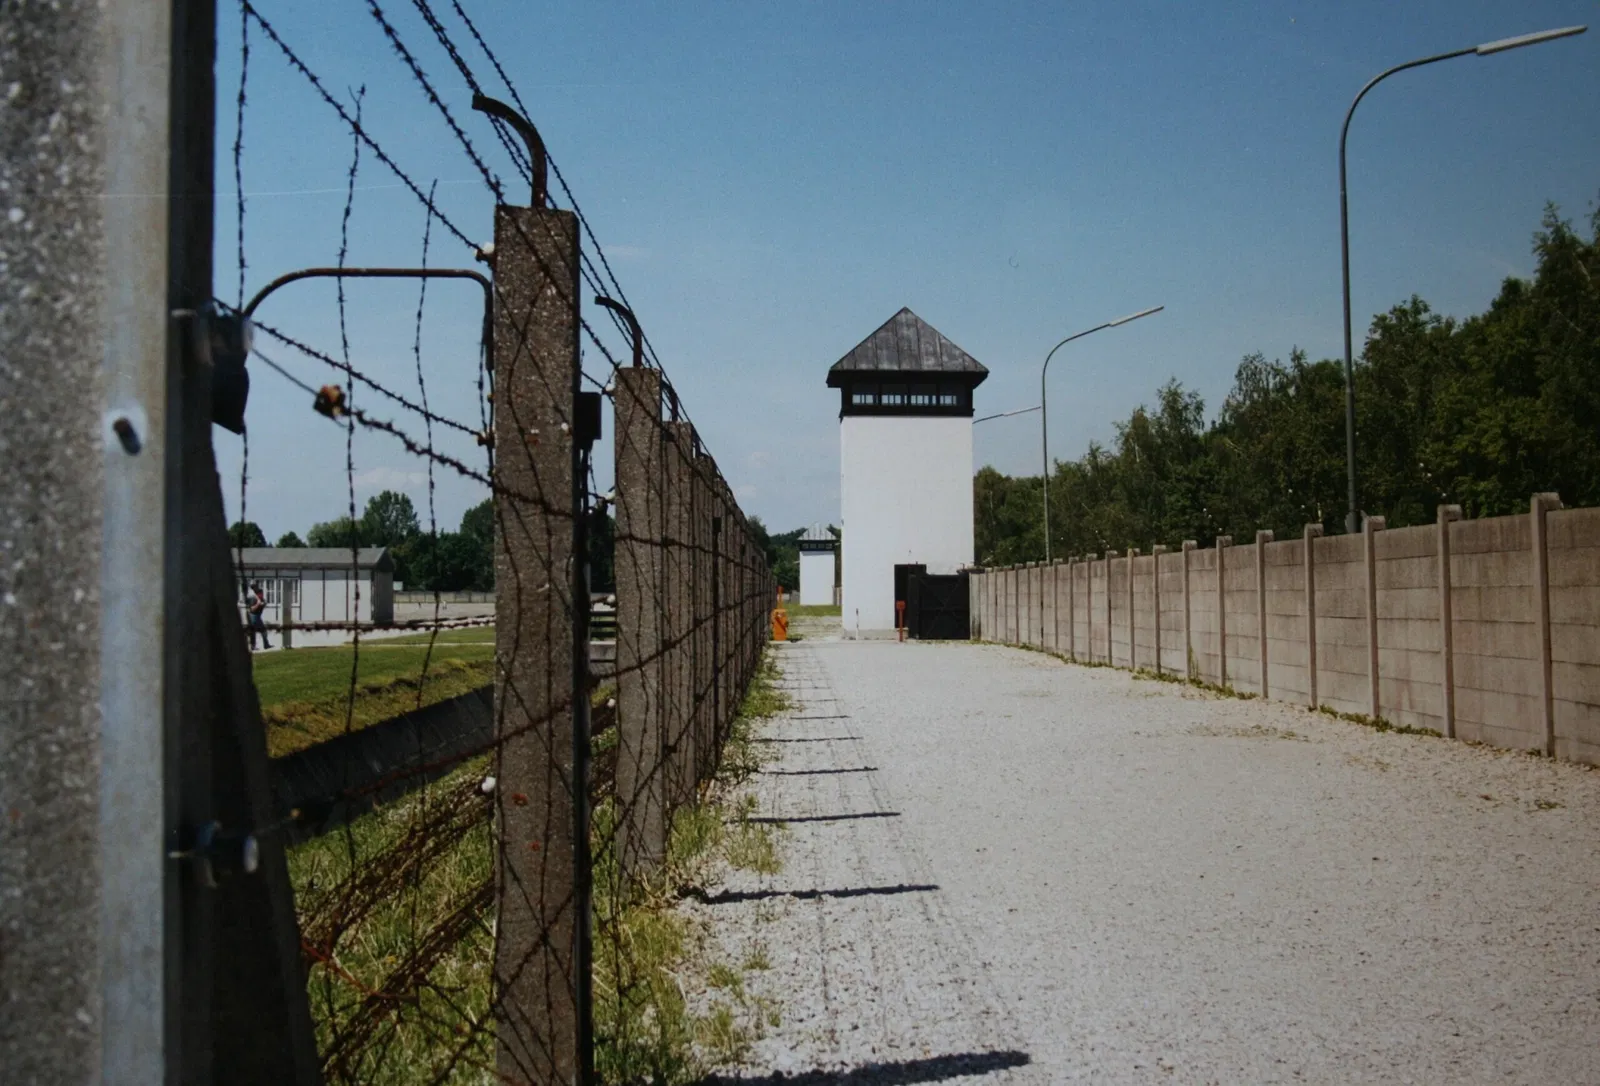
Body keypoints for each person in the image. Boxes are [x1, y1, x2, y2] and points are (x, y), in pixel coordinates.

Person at [246, 581, 272, 651]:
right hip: (253, 617)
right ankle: (254, 646)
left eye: (262, 593)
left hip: (258, 617)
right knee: (254, 632)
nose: (262, 595)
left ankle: (266, 644)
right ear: (257, 594)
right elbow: (252, 609)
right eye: (260, 594)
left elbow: (264, 604)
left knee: (262, 631)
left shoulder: (261, 599)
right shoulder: (253, 599)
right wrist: (258, 604)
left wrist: (263, 604)